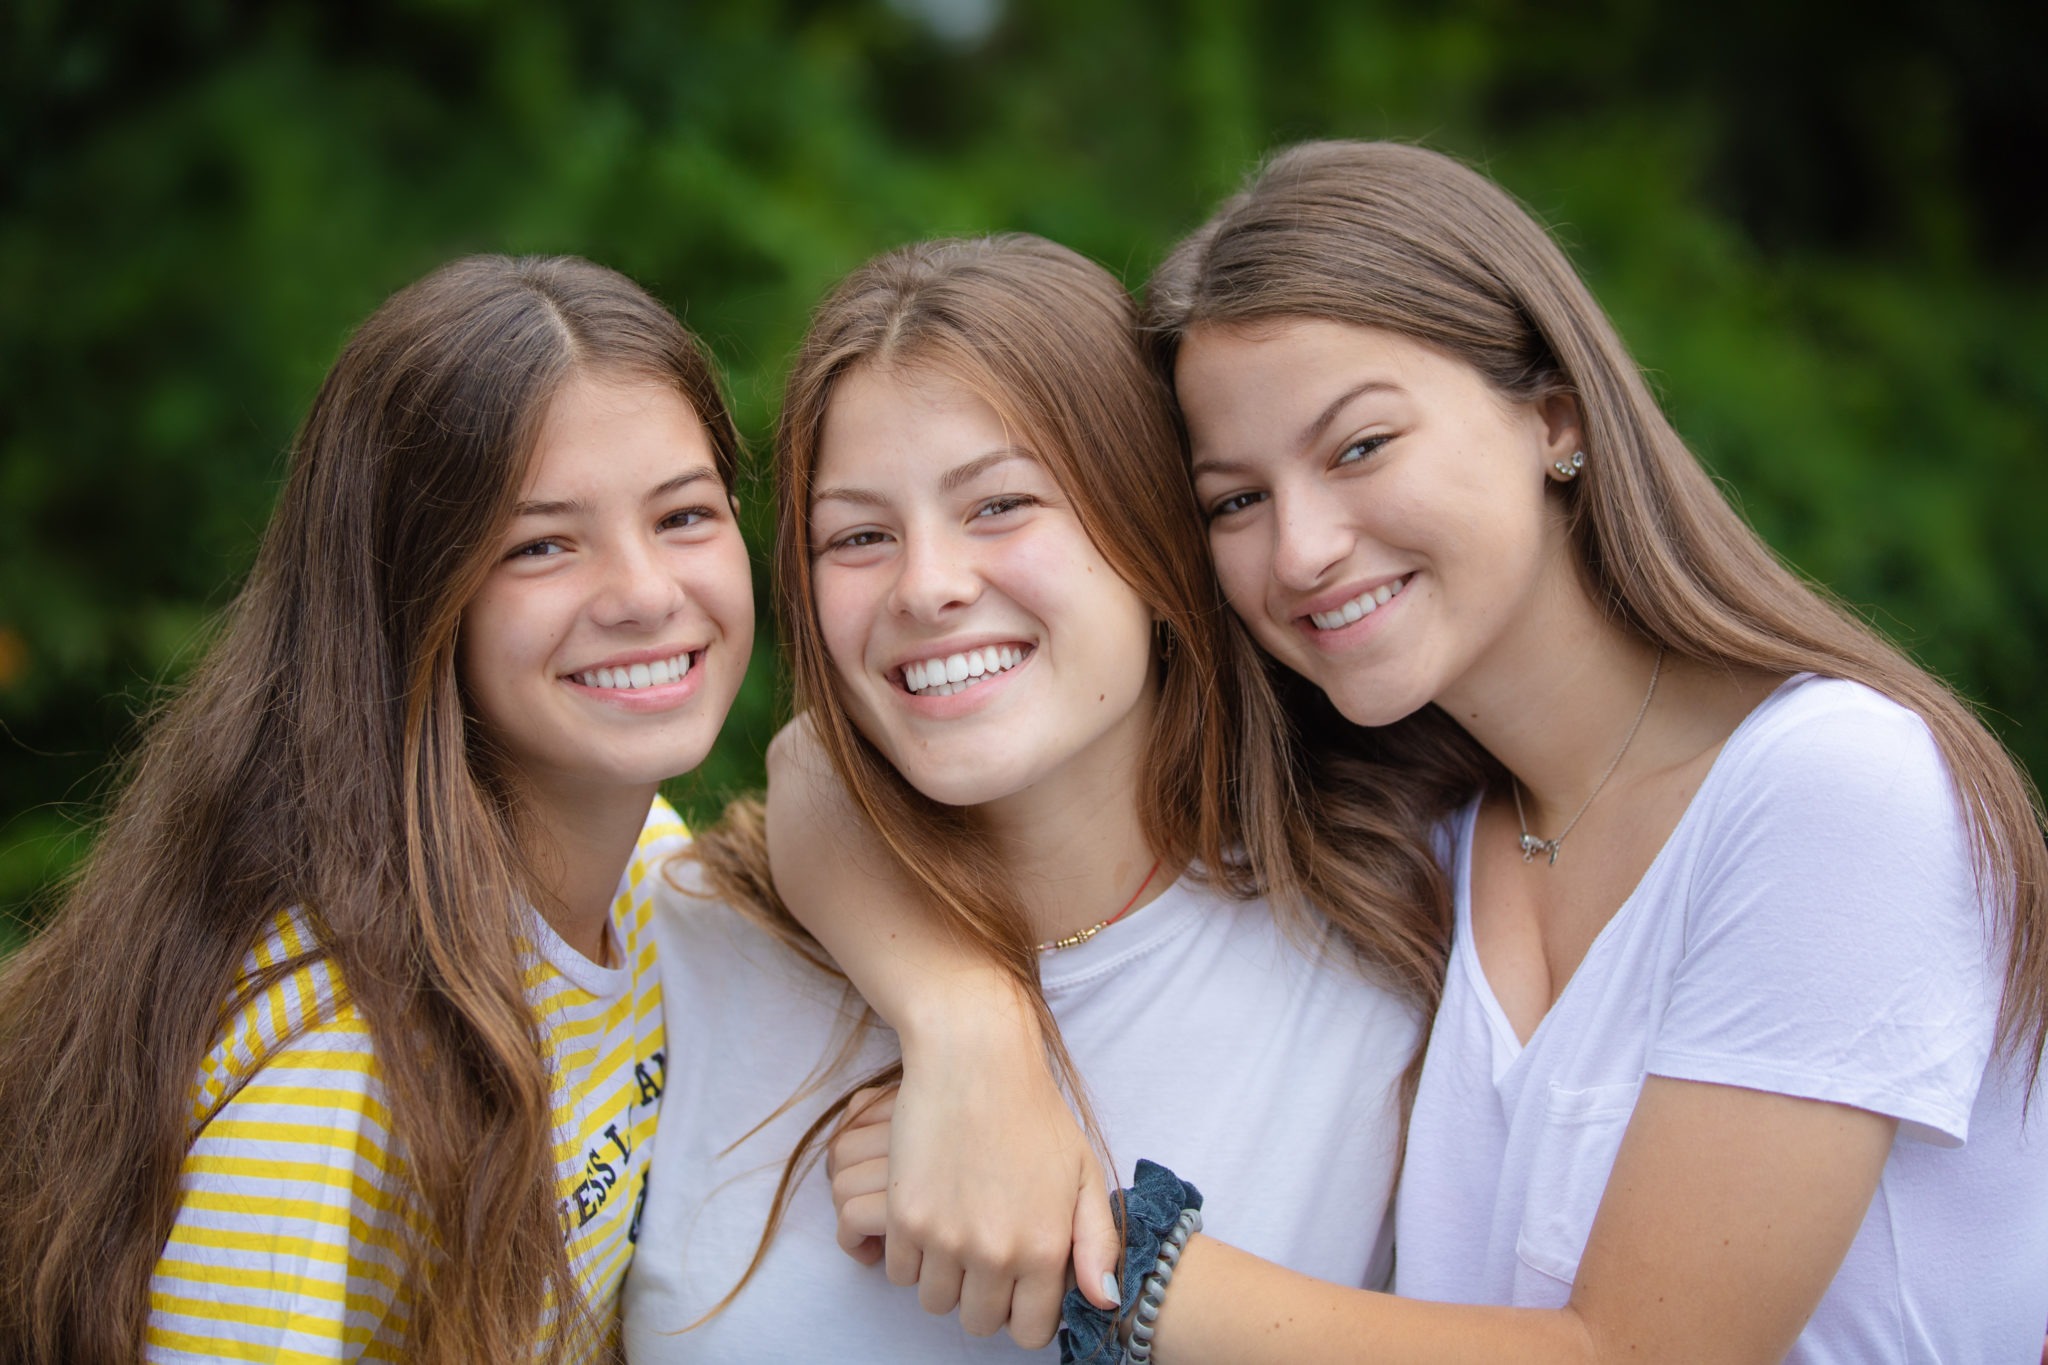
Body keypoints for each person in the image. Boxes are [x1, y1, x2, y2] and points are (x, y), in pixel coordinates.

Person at [772, 142, 2048, 1362]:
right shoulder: (1409, 829)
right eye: (1235, 499)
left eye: (1359, 447)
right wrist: (969, 1032)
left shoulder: (1832, 787)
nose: (1302, 547)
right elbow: (817, 767)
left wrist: (1092, 1253)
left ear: (1552, 416)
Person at [617, 234, 1428, 1362]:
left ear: (1152, 530)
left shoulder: (1376, 968)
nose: (929, 586)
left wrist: (1103, 1265)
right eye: (857, 535)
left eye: (998, 505)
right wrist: (971, 1034)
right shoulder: (686, 947)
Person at [0, 255, 756, 1363]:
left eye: (683, 515)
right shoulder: (341, 1065)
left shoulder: (642, 868)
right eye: (540, 544)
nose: (644, 593)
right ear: (405, 590)